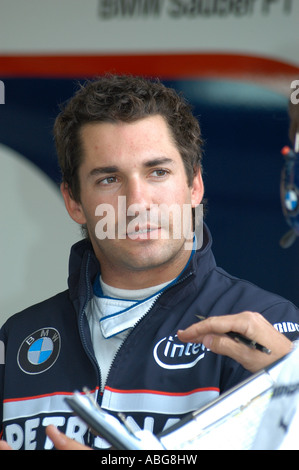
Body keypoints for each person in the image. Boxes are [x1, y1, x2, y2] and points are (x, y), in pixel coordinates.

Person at [0, 75, 298, 451]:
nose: (137, 201)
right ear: (74, 202)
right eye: (109, 178)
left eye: (158, 172)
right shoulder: (16, 337)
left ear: (194, 186)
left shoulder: (263, 326)